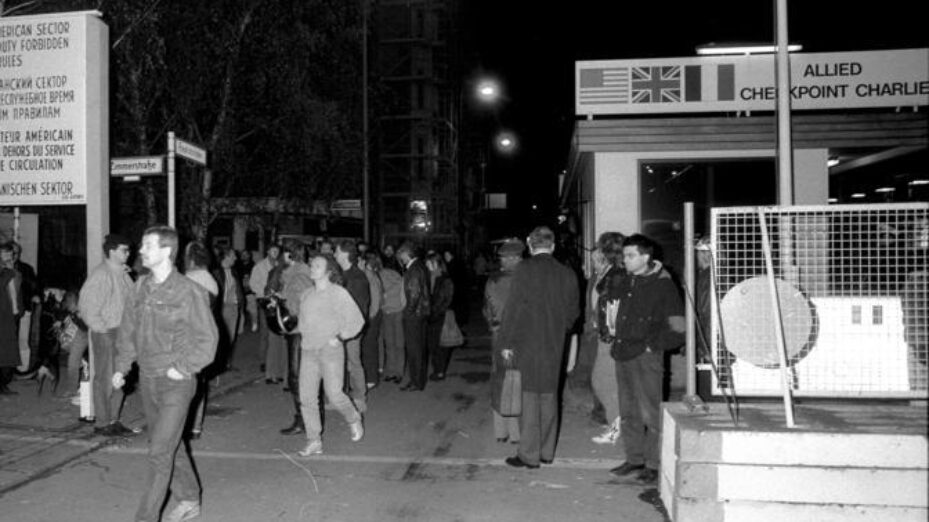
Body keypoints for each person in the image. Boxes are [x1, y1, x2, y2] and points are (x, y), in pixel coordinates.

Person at [112, 225, 218, 522]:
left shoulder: (189, 292)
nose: (141, 250)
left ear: (166, 251)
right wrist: (123, 366)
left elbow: (207, 341)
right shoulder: (140, 286)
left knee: (159, 451)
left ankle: (145, 518)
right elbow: (128, 330)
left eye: (148, 245)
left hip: (177, 382)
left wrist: (182, 368)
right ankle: (189, 498)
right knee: (169, 443)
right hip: (148, 378)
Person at [498, 227, 580, 469]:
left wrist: (506, 343)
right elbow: (573, 314)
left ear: (530, 246)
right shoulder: (567, 273)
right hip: (554, 342)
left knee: (529, 397)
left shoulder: (524, 269)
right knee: (549, 395)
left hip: (527, 341)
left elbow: (513, 308)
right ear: (553, 246)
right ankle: (546, 451)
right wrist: (559, 328)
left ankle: (528, 454)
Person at [607, 234, 685, 485]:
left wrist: (653, 346)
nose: (625, 260)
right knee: (628, 411)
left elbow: (679, 327)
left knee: (650, 412)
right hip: (623, 353)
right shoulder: (627, 280)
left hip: (646, 356)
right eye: (624, 255)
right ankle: (635, 459)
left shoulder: (663, 285)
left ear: (646, 257)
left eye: (630, 255)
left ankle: (653, 463)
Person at [294, 254, 366, 456]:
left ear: (328, 272)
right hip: (308, 350)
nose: (312, 268)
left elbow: (357, 321)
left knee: (334, 394)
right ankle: (314, 440)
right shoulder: (306, 294)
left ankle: (353, 418)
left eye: (317, 265)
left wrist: (340, 337)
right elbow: (302, 323)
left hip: (330, 351)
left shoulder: (338, 293)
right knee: (307, 398)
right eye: (312, 264)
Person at [78, 234, 137, 437]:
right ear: (112, 251)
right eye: (124, 250)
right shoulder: (101, 274)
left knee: (119, 377)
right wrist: (102, 329)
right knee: (104, 378)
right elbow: (87, 306)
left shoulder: (123, 274)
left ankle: (113, 419)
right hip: (108, 332)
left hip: (122, 332)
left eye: (128, 250)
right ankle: (103, 422)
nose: (128, 254)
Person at [484, 238, 525, 444]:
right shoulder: (526, 281)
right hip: (520, 335)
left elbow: (487, 310)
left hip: (498, 335)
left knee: (499, 378)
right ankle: (517, 433)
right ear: (518, 258)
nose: (501, 261)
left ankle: (500, 431)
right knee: (518, 379)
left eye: (503, 258)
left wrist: (494, 325)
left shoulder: (493, 281)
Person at [590, 232, 626, 445]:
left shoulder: (615, 275)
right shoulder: (610, 273)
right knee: (606, 382)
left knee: (603, 382)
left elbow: (613, 308)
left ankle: (616, 429)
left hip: (609, 337)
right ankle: (616, 425)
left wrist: (610, 333)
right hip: (605, 334)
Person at [182, 241, 220, 441]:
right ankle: (195, 426)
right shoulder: (210, 280)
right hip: (206, 335)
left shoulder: (189, 279)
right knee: (200, 382)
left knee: (187, 381)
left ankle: (186, 424)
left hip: (190, 335)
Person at [278, 241, 314, 435]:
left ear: (290, 256)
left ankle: (304, 420)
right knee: (298, 377)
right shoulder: (297, 275)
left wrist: (287, 309)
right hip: (297, 330)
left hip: (299, 331)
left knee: (296, 377)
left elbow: (305, 303)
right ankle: (304, 418)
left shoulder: (299, 277)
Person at [334, 240, 370, 411]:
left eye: (337, 251)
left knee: (353, 361)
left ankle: (360, 397)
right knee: (338, 363)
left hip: (351, 328)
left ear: (345, 254)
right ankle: (341, 398)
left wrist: (352, 331)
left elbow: (360, 306)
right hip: (339, 326)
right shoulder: (341, 274)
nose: (334, 254)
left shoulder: (357, 277)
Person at [250, 244, 286, 383]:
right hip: (265, 301)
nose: (275, 252)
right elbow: (253, 284)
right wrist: (265, 293)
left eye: (277, 250)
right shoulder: (259, 267)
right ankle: (264, 360)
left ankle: (275, 364)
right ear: (268, 251)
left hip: (278, 301)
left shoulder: (281, 265)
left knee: (276, 333)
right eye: (272, 250)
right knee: (265, 332)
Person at [397, 241, 430, 391]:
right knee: (417, 348)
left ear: (407, 253)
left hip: (414, 315)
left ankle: (416, 382)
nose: (400, 257)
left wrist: (407, 313)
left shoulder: (414, 269)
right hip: (419, 313)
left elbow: (414, 294)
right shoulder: (419, 266)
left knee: (414, 349)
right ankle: (416, 380)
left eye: (401, 254)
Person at [215, 248, 245, 370]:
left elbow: (239, 290)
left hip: (233, 307)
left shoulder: (234, 272)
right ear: (226, 256)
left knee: (231, 337)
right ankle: (218, 364)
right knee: (221, 337)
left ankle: (227, 363)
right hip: (221, 307)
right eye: (233, 256)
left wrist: (241, 308)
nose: (236, 258)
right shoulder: (216, 272)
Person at [426, 252, 454, 381]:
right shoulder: (430, 277)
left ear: (435, 263)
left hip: (440, 316)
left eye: (428, 262)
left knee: (440, 345)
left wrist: (436, 311)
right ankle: (437, 369)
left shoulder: (445, 279)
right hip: (431, 315)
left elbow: (446, 299)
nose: (426, 265)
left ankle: (440, 371)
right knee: (433, 344)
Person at [12, 241, 39, 373]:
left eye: (15, 252)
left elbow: (35, 286)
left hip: (24, 309)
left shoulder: (26, 269)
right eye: (10, 252)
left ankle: (22, 369)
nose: (13, 255)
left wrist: (35, 295)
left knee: (23, 339)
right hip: (6, 310)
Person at [379, 253, 405, 383]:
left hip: (390, 311)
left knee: (392, 343)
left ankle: (394, 371)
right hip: (395, 310)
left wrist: (384, 295)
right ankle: (395, 372)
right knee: (395, 343)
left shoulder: (384, 274)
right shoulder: (397, 275)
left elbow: (398, 286)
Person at [359, 251, 384, 389]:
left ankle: (371, 378)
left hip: (372, 316)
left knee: (369, 347)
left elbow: (374, 299)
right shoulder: (374, 275)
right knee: (371, 346)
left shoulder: (368, 276)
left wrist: (369, 317)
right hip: (375, 315)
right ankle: (372, 376)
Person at [0, 242, 21, 395]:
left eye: (9, 253)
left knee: (7, 347)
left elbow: (14, 290)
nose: (7, 256)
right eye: (4, 253)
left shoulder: (10, 272)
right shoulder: (6, 272)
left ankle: (3, 383)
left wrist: (14, 309)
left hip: (6, 313)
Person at [443, 249, 470, 327]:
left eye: (447, 255)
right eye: (445, 255)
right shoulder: (455, 263)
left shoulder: (453, 265)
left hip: (457, 291)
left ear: (451, 255)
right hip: (460, 291)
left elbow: (453, 279)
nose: (445, 257)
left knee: (457, 310)